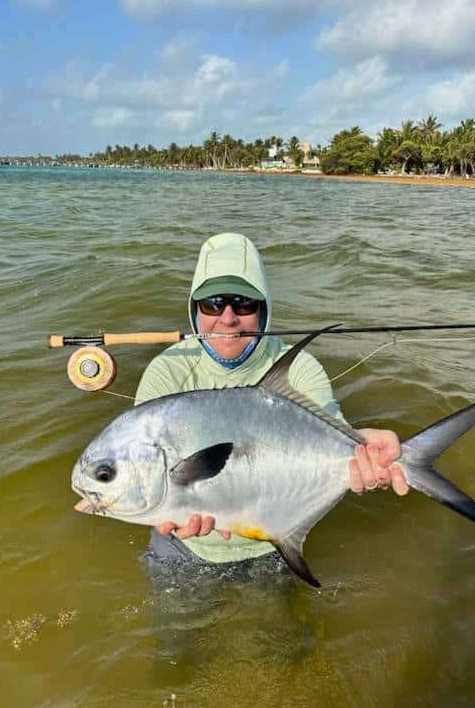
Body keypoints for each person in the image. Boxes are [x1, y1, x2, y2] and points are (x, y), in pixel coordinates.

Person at [135, 232, 409, 567]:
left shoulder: (299, 368)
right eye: (213, 304)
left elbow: (331, 430)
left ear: (264, 308)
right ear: (194, 309)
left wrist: (364, 453)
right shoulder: (167, 370)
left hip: (274, 547)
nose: (228, 318)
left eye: (245, 303)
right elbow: (149, 477)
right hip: (183, 546)